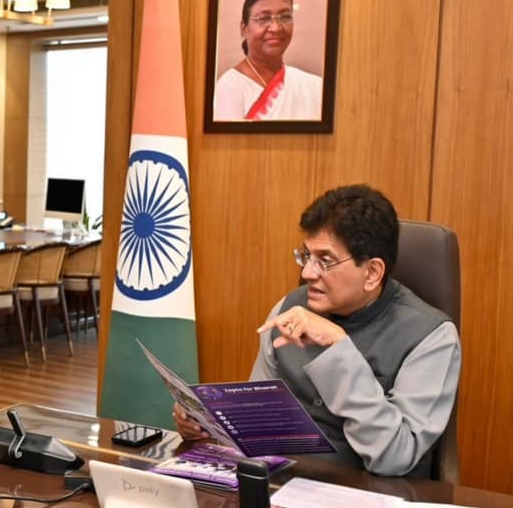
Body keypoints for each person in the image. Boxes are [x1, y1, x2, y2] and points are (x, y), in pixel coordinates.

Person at [173, 185, 460, 476]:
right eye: (306, 256)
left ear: (372, 272)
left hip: (368, 492)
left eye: (325, 260)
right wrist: (207, 425)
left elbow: (394, 457)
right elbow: (260, 421)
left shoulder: (431, 336)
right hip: (282, 485)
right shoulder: (289, 309)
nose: (308, 273)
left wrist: (340, 349)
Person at [212, 0, 324, 121]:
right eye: (264, 18)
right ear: (244, 28)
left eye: (285, 17)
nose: (276, 28)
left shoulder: (315, 87)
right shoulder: (230, 87)